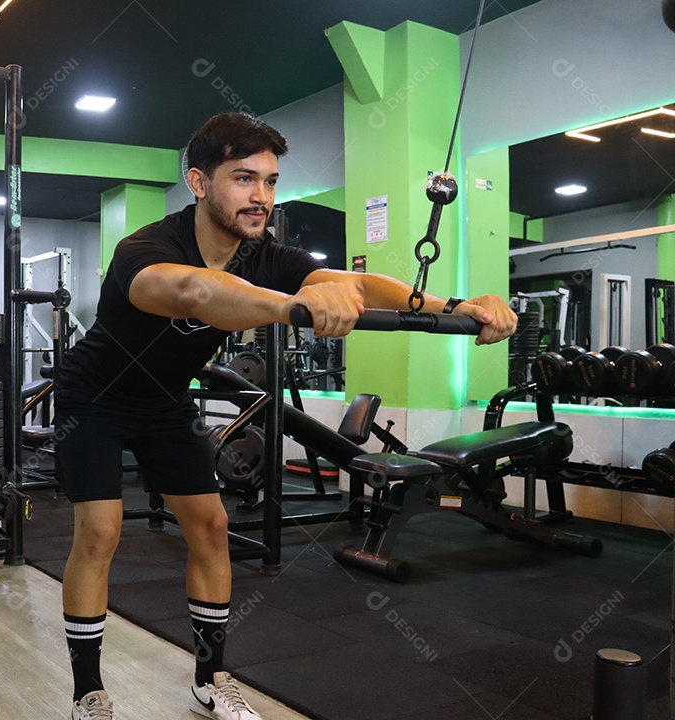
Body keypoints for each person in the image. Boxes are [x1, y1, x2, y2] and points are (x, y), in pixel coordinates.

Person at [54, 112, 517, 720]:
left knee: (213, 528)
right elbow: (194, 293)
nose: (261, 197)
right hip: (95, 397)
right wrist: (294, 304)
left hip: (164, 398)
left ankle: (210, 679)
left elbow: (358, 284)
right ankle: (89, 690)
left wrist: (457, 304)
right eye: (244, 179)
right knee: (101, 532)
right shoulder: (145, 248)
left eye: (270, 182)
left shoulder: (264, 255)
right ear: (198, 182)